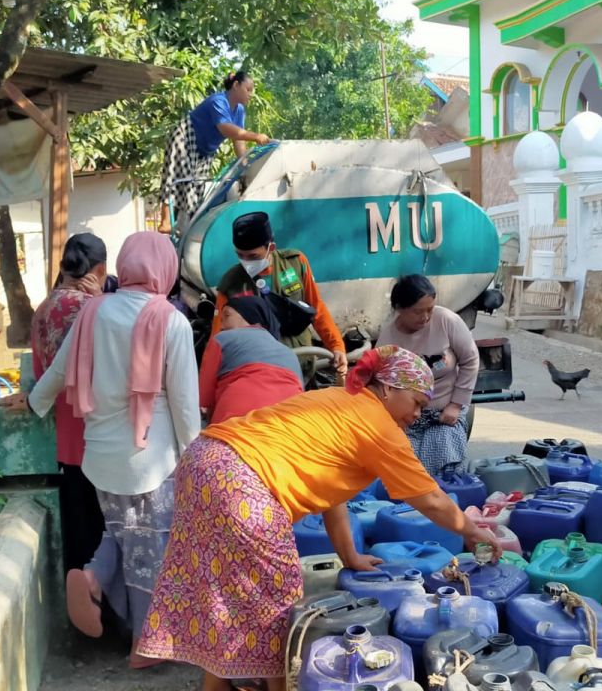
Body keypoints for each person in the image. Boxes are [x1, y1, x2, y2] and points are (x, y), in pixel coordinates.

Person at [135, 346, 501, 691]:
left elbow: (332, 496)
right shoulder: (379, 425)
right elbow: (432, 500)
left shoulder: (338, 400)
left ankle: (214, 685)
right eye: (417, 403)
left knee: (219, 591)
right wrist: (473, 533)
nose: (418, 415)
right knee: (275, 601)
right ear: (388, 388)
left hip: (204, 460)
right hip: (242, 484)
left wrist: (350, 557)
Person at [6, 231, 199, 668]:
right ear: (165, 270)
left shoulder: (93, 312)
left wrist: (32, 401)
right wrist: (196, 459)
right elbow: (186, 405)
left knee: (119, 533)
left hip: (99, 457)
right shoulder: (170, 321)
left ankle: (92, 576)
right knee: (152, 546)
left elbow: (56, 374)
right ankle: (145, 643)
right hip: (152, 459)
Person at [30, 233, 110, 574]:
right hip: (105, 429)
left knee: (80, 529)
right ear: (102, 269)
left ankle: (83, 609)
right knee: (111, 527)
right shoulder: (97, 309)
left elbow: (40, 372)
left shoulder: (44, 308)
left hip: (66, 434)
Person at [212, 211, 348, 377]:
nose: (247, 262)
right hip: (260, 375)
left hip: (302, 367)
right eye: (240, 255)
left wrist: (336, 346)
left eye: (253, 256)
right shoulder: (231, 284)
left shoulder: (296, 264)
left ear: (271, 248)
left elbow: (317, 309)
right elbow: (217, 340)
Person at [376, 274, 479, 475]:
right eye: (417, 312)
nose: (425, 317)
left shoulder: (447, 320)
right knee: (406, 467)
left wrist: (456, 405)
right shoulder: (388, 338)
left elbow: (470, 360)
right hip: (407, 419)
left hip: (445, 412)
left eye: (430, 310)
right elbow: (382, 384)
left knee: (444, 459)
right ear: (399, 309)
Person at [157, 71, 272, 236]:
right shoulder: (218, 101)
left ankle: (185, 228)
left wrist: (244, 165)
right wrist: (255, 136)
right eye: (248, 89)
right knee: (174, 174)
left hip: (205, 150)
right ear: (236, 85)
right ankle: (165, 221)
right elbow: (226, 128)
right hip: (186, 137)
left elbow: (238, 139)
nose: (251, 94)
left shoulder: (239, 110)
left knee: (195, 187)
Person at [199, 295, 303, 424]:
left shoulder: (222, 339)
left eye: (226, 316)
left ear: (251, 317)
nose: (221, 325)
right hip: (289, 427)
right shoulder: (290, 354)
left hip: (236, 426)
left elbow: (203, 398)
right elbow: (300, 396)